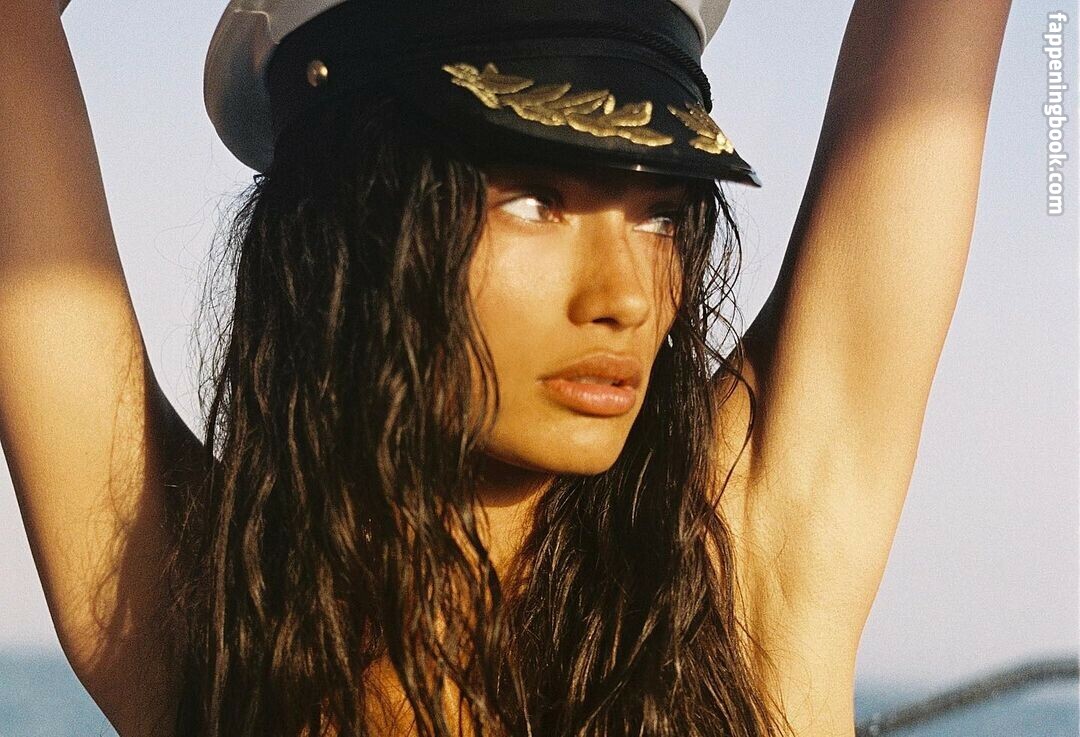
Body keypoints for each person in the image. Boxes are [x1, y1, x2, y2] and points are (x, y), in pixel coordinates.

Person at [0, 0, 1012, 736]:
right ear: (353, 224)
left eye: (660, 214)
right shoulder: (203, 606)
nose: (624, 295)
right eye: (534, 200)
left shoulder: (740, 568)